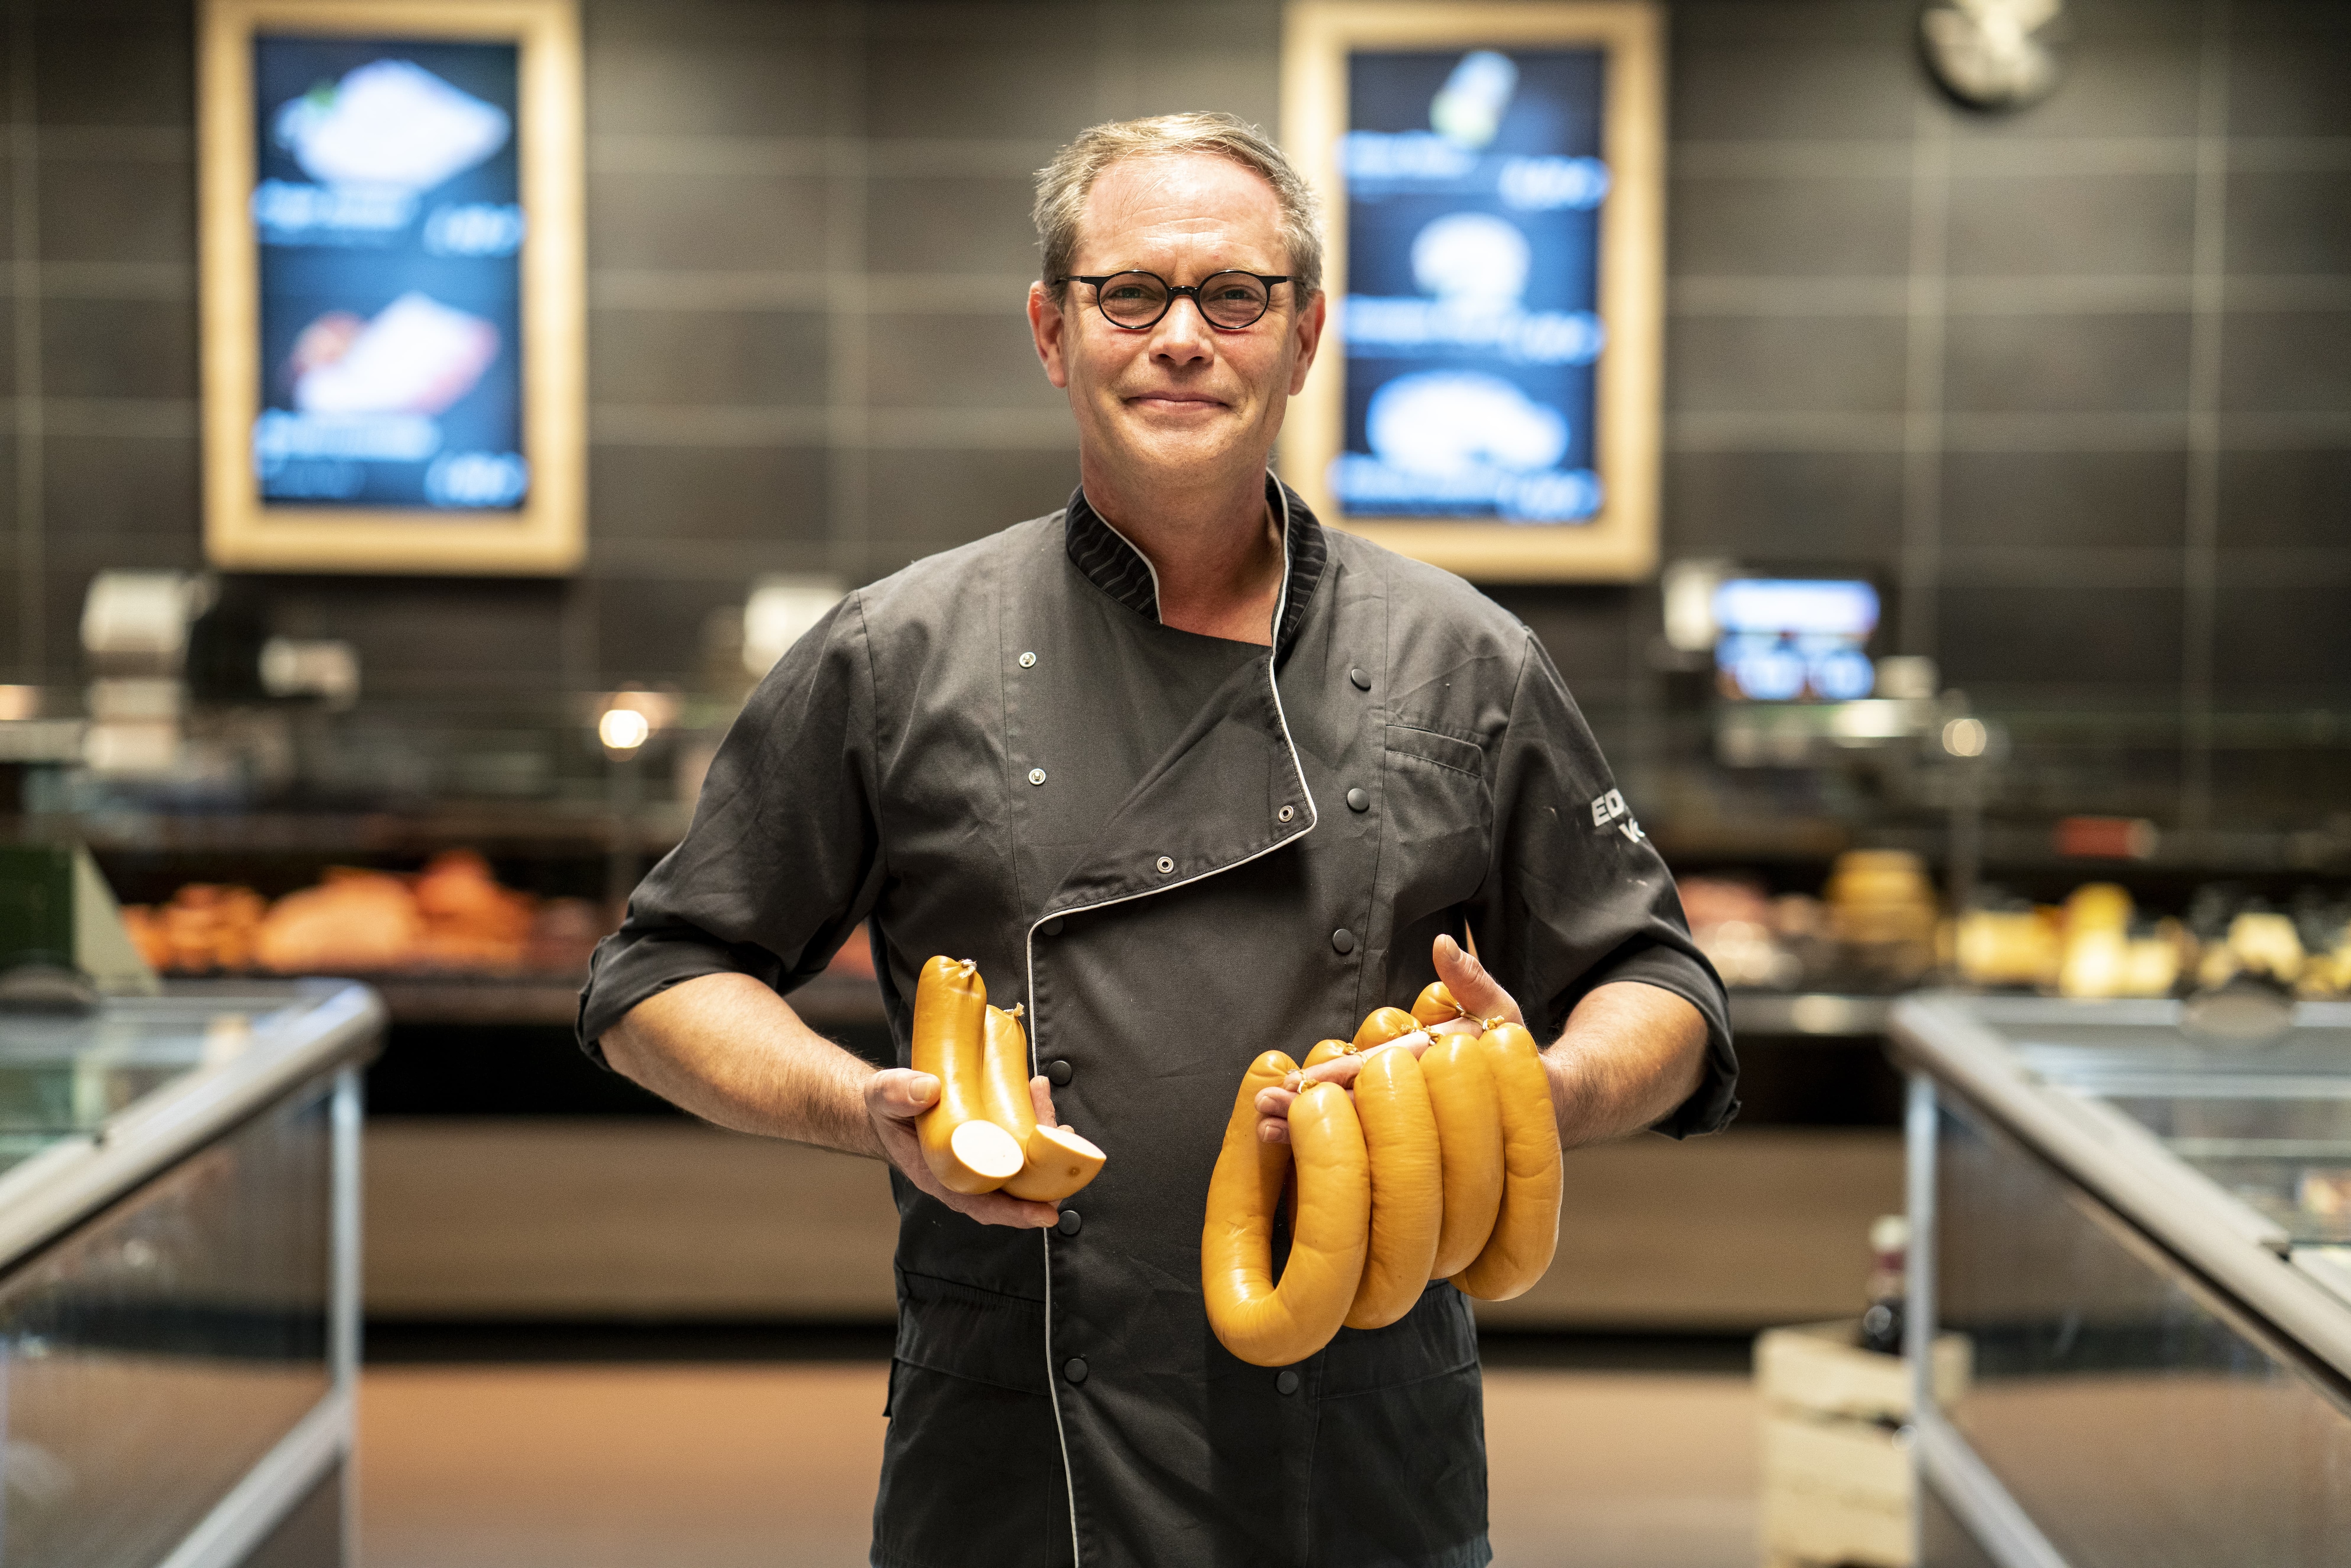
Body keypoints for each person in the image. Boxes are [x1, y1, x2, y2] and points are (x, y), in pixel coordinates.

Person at [579, 112, 1735, 1568]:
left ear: (1305, 337)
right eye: (1131, 293)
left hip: (1366, 1435)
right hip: (1020, 1443)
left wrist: (1525, 1095)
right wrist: (849, 1105)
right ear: (1054, 333)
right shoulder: (902, 650)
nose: (1182, 336)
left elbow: (1667, 989)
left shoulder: (1466, 656)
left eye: (1234, 296)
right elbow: (655, 979)